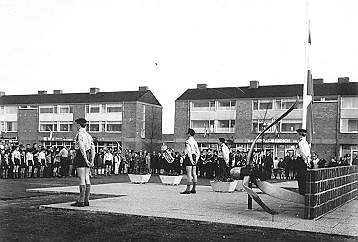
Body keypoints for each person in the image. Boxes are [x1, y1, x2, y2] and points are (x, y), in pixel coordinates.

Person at [71, 118, 95, 207]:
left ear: (78, 125)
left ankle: (81, 201)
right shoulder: (89, 135)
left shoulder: (79, 134)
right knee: (87, 178)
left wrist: (85, 159)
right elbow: (93, 148)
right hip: (88, 155)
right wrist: (91, 159)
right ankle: (86, 200)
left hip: (81, 156)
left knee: (81, 178)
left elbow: (81, 148)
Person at [180, 128, 200, 194]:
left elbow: (188, 151)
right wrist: (196, 160)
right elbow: (198, 152)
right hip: (194, 157)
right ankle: (194, 188)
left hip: (189, 158)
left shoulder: (187, 141)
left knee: (189, 174)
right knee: (194, 173)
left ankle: (188, 189)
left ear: (189, 134)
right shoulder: (195, 141)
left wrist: (191, 160)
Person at [295, 128, 311, 195]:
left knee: (300, 177)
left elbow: (302, 152)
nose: (297, 135)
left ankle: (302, 192)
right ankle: (304, 191)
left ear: (300, 134)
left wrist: (305, 160)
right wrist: (308, 161)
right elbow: (308, 153)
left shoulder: (301, 142)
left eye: (298, 134)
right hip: (305, 161)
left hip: (301, 161)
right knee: (303, 177)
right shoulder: (306, 142)